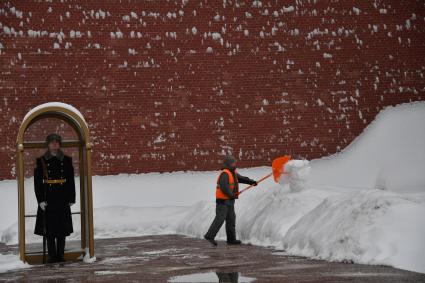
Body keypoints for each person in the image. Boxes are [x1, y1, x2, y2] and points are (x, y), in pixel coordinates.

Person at [34, 133, 76, 263]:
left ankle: (61, 255)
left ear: (59, 144)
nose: (54, 144)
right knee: (50, 229)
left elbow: (70, 180)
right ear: (48, 144)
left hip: (63, 197)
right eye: (52, 142)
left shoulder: (67, 160)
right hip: (49, 197)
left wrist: (71, 197)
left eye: (57, 142)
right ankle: (52, 256)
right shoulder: (41, 160)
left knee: (62, 229)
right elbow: (37, 183)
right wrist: (40, 200)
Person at [204, 155, 257, 246]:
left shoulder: (233, 172)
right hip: (223, 202)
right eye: (233, 163)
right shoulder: (225, 173)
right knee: (219, 219)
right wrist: (231, 195)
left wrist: (251, 182)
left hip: (230, 201)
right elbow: (224, 187)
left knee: (231, 220)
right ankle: (209, 235)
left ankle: (231, 239)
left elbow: (241, 178)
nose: (235, 164)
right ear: (229, 164)